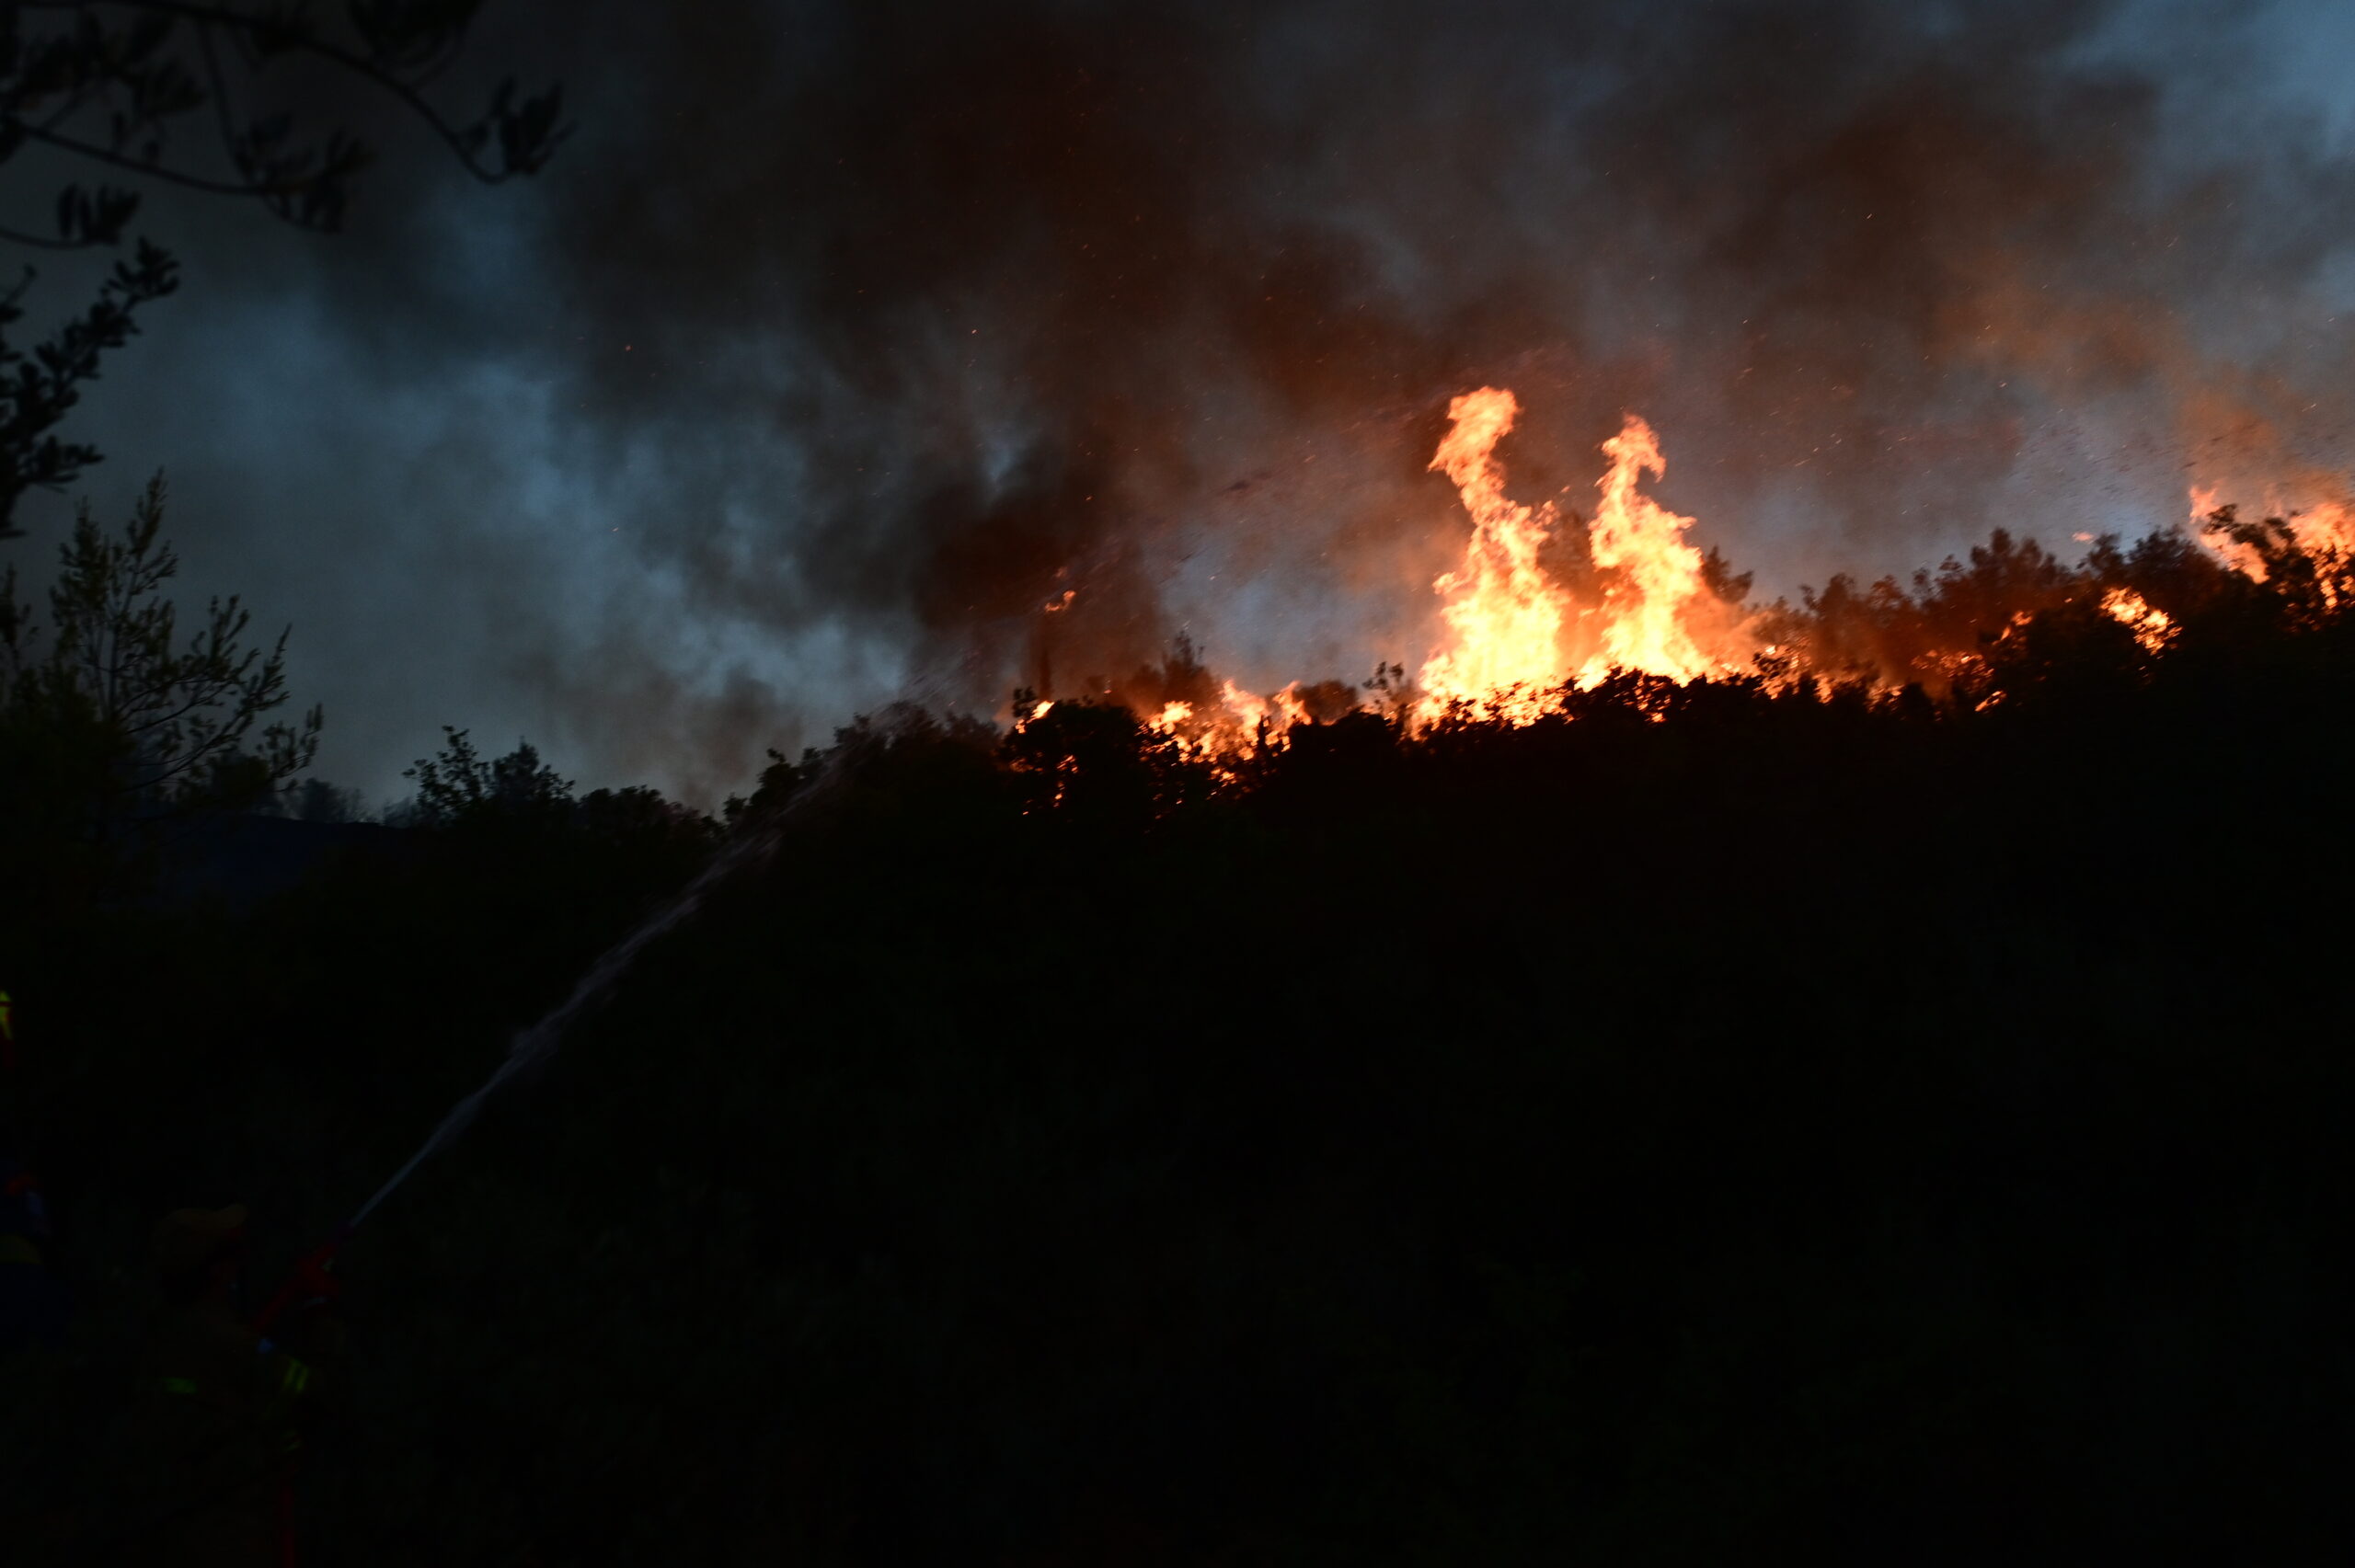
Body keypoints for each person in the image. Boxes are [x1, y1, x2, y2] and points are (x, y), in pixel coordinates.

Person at [140, 1205, 342, 1565]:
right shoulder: (229, 1343)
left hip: (183, 1534)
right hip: (236, 1536)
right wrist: (319, 1307)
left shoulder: (165, 1338)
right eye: (232, 1252)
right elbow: (319, 1395)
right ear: (218, 1270)